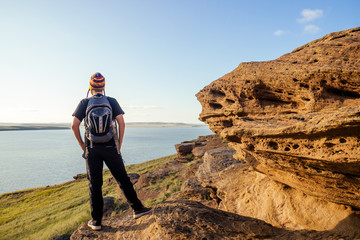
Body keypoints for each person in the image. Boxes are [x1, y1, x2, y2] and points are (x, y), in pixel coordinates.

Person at [71, 72, 152, 231]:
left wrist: (83, 145)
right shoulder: (111, 101)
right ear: (103, 86)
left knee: (95, 185)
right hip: (111, 148)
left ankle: (96, 221)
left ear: (90, 86)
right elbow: (121, 122)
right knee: (122, 178)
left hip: (92, 149)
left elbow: (74, 125)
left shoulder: (84, 102)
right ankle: (137, 209)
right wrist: (119, 144)